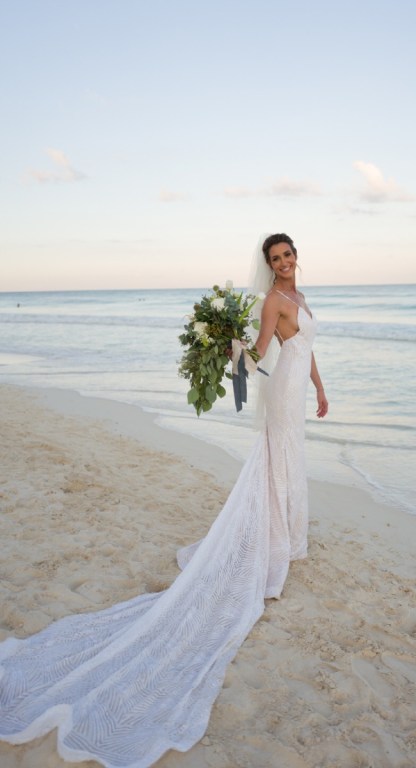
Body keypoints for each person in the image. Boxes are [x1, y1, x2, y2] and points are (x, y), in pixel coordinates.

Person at [0, 233, 328, 767]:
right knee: (277, 460)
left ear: (297, 257)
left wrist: (320, 388)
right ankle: (273, 538)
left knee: (288, 460)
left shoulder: (303, 297)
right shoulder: (272, 301)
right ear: (268, 267)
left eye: (289, 255)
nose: (285, 264)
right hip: (280, 390)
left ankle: (284, 534)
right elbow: (266, 351)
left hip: (299, 387)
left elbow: (308, 349)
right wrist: (236, 350)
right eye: (276, 259)